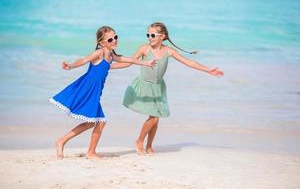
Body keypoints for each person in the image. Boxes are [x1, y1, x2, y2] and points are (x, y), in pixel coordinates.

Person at [111, 22, 224, 155]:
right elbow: (128, 62)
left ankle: (149, 146)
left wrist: (208, 70)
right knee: (154, 117)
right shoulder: (145, 49)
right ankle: (139, 141)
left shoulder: (168, 51)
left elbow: (189, 62)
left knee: (156, 117)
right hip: (144, 85)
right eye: (148, 34)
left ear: (162, 37)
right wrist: (108, 67)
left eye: (152, 35)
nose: (149, 37)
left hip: (158, 87)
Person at [49, 26, 156, 159]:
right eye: (110, 39)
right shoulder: (99, 53)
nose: (114, 41)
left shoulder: (111, 55)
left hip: (95, 92)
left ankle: (62, 141)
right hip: (87, 89)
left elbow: (129, 60)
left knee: (94, 122)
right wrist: (71, 66)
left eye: (115, 37)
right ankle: (89, 152)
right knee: (100, 122)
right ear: (101, 43)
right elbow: (83, 60)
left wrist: (146, 63)